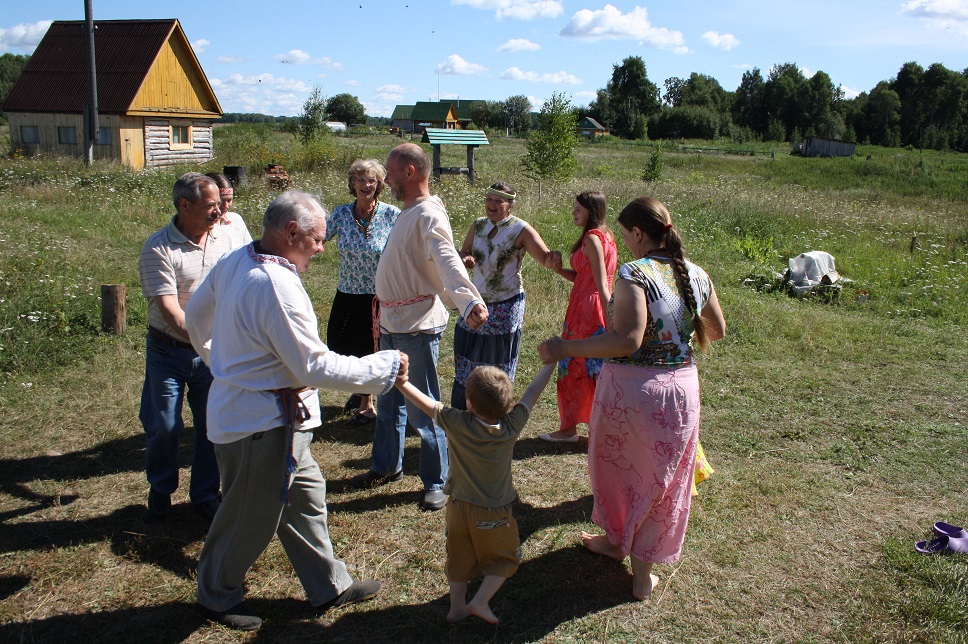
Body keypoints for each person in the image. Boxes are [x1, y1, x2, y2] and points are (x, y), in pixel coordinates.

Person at [185, 190, 408, 632]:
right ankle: (215, 594)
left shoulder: (237, 258)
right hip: (259, 426)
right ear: (291, 232)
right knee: (249, 516)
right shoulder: (274, 284)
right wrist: (383, 365)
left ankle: (328, 584)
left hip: (280, 421)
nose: (323, 249)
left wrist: (220, 360)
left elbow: (195, 318)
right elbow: (314, 365)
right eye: (318, 239)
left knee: (306, 498)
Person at [538, 196, 726, 600]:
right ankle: (641, 574)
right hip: (682, 390)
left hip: (633, 393)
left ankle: (617, 542)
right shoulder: (696, 273)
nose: (625, 243)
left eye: (626, 236)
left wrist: (566, 348)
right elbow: (717, 328)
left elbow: (626, 340)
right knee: (665, 481)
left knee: (620, 472)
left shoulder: (634, 273)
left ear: (639, 233)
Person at [350, 143, 488, 512]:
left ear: (410, 171)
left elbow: (446, 258)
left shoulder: (428, 213)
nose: (385, 180)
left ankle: (436, 481)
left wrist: (468, 299)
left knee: (423, 405)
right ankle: (385, 465)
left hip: (416, 325)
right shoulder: (409, 210)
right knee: (388, 399)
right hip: (393, 322)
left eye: (391, 172)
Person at [396, 362, 556, 624]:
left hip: (457, 507)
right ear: (506, 405)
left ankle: (456, 608)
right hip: (494, 510)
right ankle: (480, 601)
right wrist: (550, 363)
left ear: (469, 403)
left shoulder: (456, 422)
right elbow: (532, 394)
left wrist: (401, 382)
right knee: (505, 559)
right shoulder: (510, 427)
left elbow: (426, 403)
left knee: (459, 558)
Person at [138, 172, 246, 521]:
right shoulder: (158, 248)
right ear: (184, 205)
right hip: (169, 351)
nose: (220, 212)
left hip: (214, 354)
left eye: (220, 204)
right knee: (165, 427)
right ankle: (161, 487)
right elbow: (171, 311)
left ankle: (203, 494)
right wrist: (208, 345)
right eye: (210, 206)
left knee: (210, 428)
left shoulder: (226, 236)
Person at [450, 181, 556, 409]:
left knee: (497, 357)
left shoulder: (521, 229)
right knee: (466, 349)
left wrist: (554, 260)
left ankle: (493, 409)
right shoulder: (478, 226)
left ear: (511, 206)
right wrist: (465, 258)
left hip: (506, 305)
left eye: (499, 200)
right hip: (476, 301)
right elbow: (465, 251)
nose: (492, 204)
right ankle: (464, 407)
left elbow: (545, 259)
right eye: (489, 199)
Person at [325, 159, 401, 425]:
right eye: (360, 179)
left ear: (379, 185)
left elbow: (406, 248)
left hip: (377, 296)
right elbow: (318, 238)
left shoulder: (392, 215)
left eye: (371, 180)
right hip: (346, 292)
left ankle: (367, 404)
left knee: (370, 348)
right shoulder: (341, 214)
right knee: (339, 343)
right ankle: (360, 391)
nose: (365, 185)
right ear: (352, 183)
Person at [540, 191, 618, 443]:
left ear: (590, 212)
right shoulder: (607, 236)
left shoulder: (593, 239)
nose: (573, 213)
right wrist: (559, 269)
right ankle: (590, 428)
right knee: (588, 367)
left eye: (578, 209)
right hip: (587, 304)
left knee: (574, 366)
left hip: (588, 310)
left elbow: (601, 286)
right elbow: (585, 278)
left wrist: (610, 320)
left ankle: (569, 429)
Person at [206, 172, 252, 248]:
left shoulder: (236, 220)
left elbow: (249, 250)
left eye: (229, 200)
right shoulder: (204, 225)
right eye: (221, 201)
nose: (226, 206)